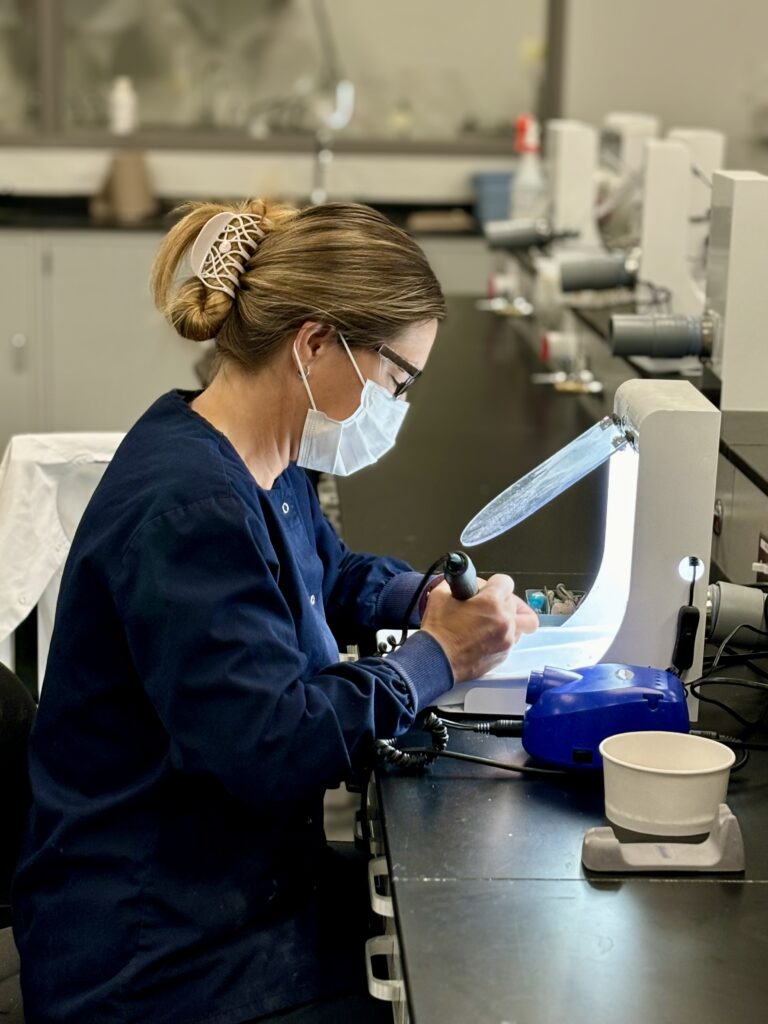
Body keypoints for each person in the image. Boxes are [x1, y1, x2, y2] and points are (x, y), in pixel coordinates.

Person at [12, 199, 538, 1024]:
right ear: (316, 342)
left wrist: (418, 597)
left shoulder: (256, 453)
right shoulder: (191, 510)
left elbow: (324, 573)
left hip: (227, 881)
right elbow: (275, 745)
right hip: (149, 948)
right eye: (396, 380)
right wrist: (438, 658)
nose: (396, 407)